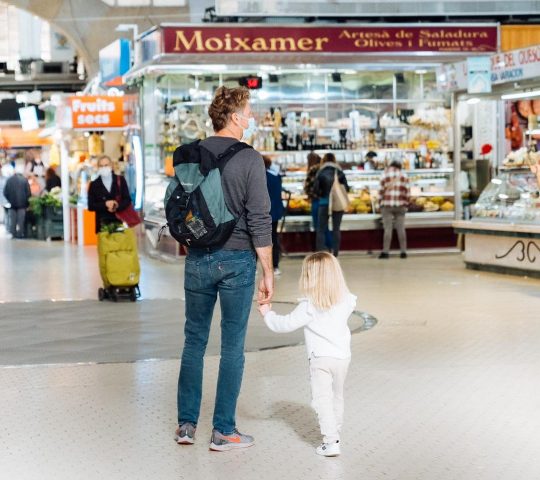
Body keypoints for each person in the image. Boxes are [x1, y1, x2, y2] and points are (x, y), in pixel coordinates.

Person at [175, 86, 273, 452]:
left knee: (194, 341)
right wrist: (268, 271)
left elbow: (182, 209)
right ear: (234, 117)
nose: (251, 118)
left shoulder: (192, 154)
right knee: (232, 345)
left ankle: (186, 426)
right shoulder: (249, 159)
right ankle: (223, 431)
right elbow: (260, 220)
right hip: (236, 261)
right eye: (248, 112)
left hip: (198, 259)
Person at [258, 251, 356, 457]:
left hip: (320, 358)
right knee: (337, 396)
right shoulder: (347, 299)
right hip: (343, 357)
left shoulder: (309, 306)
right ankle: (335, 432)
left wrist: (268, 314)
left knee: (322, 400)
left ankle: (331, 442)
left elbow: (284, 325)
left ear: (309, 277)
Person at [313, 152, 349, 257]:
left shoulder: (320, 172)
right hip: (337, 204)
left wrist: (322, 195)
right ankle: (335, 252)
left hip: (324, 203)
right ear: (334, 160)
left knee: (320, 228)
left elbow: (316, 190)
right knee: (336, 228)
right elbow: (346, 188)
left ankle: (320, 251)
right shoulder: (339, 172)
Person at [87, 155, 132, 233]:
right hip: (102, 223)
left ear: (111, 165)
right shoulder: (94, 184)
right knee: (105, 245)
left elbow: (127, 199)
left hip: (120, 221)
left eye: (106, 165)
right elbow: (91, 206)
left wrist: (117, 205)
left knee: (120, 244)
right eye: (101, 166)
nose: (104, 168)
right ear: (98, 167)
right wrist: (105, 204)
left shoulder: (120, 180)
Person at [378, 160, 410, 259]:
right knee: (401, 228)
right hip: (401, 206)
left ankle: (385, 252)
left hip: (387, 205)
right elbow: (408, 193)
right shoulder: (404, 175)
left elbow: (380, 191)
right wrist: (406, 204)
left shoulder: (384, 175)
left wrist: (379, 203)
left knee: (388, 229)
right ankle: (403, 252)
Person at [304, 151, 332, 251]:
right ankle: (330, 246)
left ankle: (321, 248)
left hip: (316, 201)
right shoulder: (325, 168)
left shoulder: (313, 169)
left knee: (318, 226)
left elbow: (308, 187)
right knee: (325, 225)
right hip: (327, 200)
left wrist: (309, 195)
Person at [263, 155, 284, 275]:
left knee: (255, 239)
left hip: (261, 213)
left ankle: (254, 266)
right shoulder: (276, 177)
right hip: (274, 213)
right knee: (273, 239)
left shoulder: (260, 177)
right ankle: (275, 266)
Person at [3, 164, 31, 239]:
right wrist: (26, 201)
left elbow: (5, 192)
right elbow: (28, 193)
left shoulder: (9, 180)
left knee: (13, 220)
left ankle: (13, 234)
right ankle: (20, 234)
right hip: (22, 204)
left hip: (12, 204)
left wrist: (10, 199)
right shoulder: (24, 180)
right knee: (21, 221)